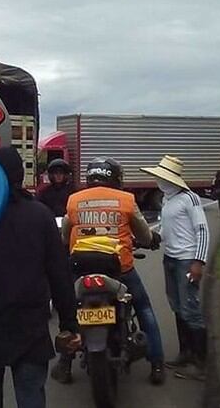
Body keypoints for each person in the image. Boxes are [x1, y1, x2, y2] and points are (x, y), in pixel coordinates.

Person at [0, 146, 81, 408]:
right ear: (19, 175)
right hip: (29, 329)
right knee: (31, 397)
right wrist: (68, 324)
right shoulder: (40, 215)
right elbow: (59, 274)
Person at [52, 157, 166, 385]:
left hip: (81, 268)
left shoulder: (74, 200)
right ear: (115, 177)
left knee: (69, 312)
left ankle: (65, 361)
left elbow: (65, 236)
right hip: (119, 269)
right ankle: (157, 363)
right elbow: (144, 235)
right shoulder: (126, 199)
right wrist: (152, 239)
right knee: (143, 308)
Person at [141, 155, 211, 381]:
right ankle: (186, 353)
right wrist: (151, 238)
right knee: (177, 306)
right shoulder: (167, 200)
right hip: (170, 259)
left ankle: (201, 363)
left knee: (190, 308)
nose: (159, 181)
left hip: (186, 261)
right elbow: (167, 228)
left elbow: (202, 230)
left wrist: (198, 262)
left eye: (162, 177)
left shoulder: (189, 198)